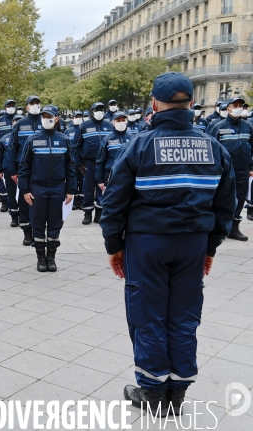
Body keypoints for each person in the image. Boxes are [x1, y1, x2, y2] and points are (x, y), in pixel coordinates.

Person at [100, 72, 236, 417]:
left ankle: (153, 390)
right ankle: (178, 390)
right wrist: (210, 248)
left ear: (154, 104)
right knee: (184, 315)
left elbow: (114, 203)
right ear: (191, 103)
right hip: (192, 243)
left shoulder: (139, 145)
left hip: (148, 244)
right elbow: (226, 207)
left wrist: (114, 246)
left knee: (148, 315)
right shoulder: (214, 147)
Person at [18, 105, 76, 272]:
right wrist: (25, 190)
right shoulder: (32, 140)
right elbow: (24, 166)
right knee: (37, 223)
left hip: (58, 187)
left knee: (55, 223)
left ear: (56, 118)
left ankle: (51, 257)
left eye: (49, 116)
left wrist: (71, 190)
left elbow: (70, 166)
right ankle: (40, 257)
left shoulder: (64, 140)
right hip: (38, 187)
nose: (46, 119)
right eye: (44, 116)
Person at [206, 96, 253, 241]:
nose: (239, 108)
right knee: (220, 197)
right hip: (223, 171)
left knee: (239, 199)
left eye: (241, 105)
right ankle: (216, 227)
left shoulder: (248, 126)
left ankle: (233, 228)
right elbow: (211, 148)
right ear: (228, 108)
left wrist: (251, 167)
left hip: (242, 169)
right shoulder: (217, 126)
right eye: (235, 105)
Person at [10, 96, 43, 246]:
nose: (35, 106)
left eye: (37, 103)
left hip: (42, 168)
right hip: (23, 169)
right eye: (32, 103)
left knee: (39, 202)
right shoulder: (20, 124)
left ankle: (38, 231)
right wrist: (12, 171)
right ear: (27, 107)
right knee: (24, 200)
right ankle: (26, 232)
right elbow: (12, 148)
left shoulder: (47, 122)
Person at [72, 101, 113, 224]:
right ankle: (88, 213)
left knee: (102, 188)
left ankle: (99, 214)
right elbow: (75, 146)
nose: (100, 112)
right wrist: (79, 164)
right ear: (92, 112)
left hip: (104, 163)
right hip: (89, 163)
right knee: (88, 188)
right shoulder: (84, 126)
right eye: (97, 110)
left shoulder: (109, 126)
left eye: (102, 109)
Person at [0, 113, 23, 227]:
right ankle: (14, 216)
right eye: (15, 121)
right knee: (11, 195)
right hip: (9, 170)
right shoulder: (4, 137)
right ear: (12, 123)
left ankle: (24, 216)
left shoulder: (27, 137)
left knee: (24, 194)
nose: (17, 123)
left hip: (23, 170)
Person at [96, 111, 129, 192]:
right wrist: (100, 180)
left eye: (123, 120)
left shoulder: (133, 138)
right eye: (118, 121)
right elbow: (100, 161)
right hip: (110, 177)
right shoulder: (107, 140)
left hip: (128, 176)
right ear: (113, 123)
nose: (121, 122)